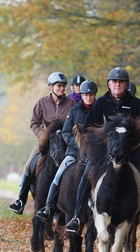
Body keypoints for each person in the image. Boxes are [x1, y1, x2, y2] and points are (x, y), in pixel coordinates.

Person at [65, 67, 140, 237]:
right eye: (114, 82)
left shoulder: (136, 104)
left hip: (131, 149)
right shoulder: (100, 104)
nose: (118, 84)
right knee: (86, 173)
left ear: (126, 85)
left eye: (121, 82)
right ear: (109, 84)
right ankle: (77, 217)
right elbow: (90, 128)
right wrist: (101, 146)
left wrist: (134, 143)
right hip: (105, 152)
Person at [8, 72, 76, 214]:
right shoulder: (42, 103)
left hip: (65, 143)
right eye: (59, 86)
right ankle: (20, 199)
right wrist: (43, 136)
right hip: (46, 142)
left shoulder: (71, 103)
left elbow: (75, 123)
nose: (62, 89)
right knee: (29, 165)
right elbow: (34, 123)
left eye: (63, 86)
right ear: (51, 87)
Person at [36, 79, 98, 223]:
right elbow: (65, 132)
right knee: (58, 175)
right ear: (81, 95)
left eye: (91, 95)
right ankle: (48, 207)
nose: (88, 97)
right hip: (74, 153)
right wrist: (79, 145)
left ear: (94, 95)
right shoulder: (74, 111)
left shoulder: (99, 110)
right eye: (85, 95)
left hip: (95, 154)